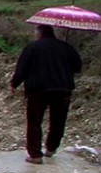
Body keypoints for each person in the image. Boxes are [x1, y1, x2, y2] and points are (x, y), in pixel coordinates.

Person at [10, 24, 82, 164]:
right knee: (58, 121)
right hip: (62, 89)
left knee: (35, 122)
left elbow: (22, 68)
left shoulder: (32, 47)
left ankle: (35, 154)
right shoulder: (66, 47)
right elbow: (77, 67)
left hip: (38, 89)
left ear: (39, 33)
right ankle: (51, 148)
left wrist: (14, 84)